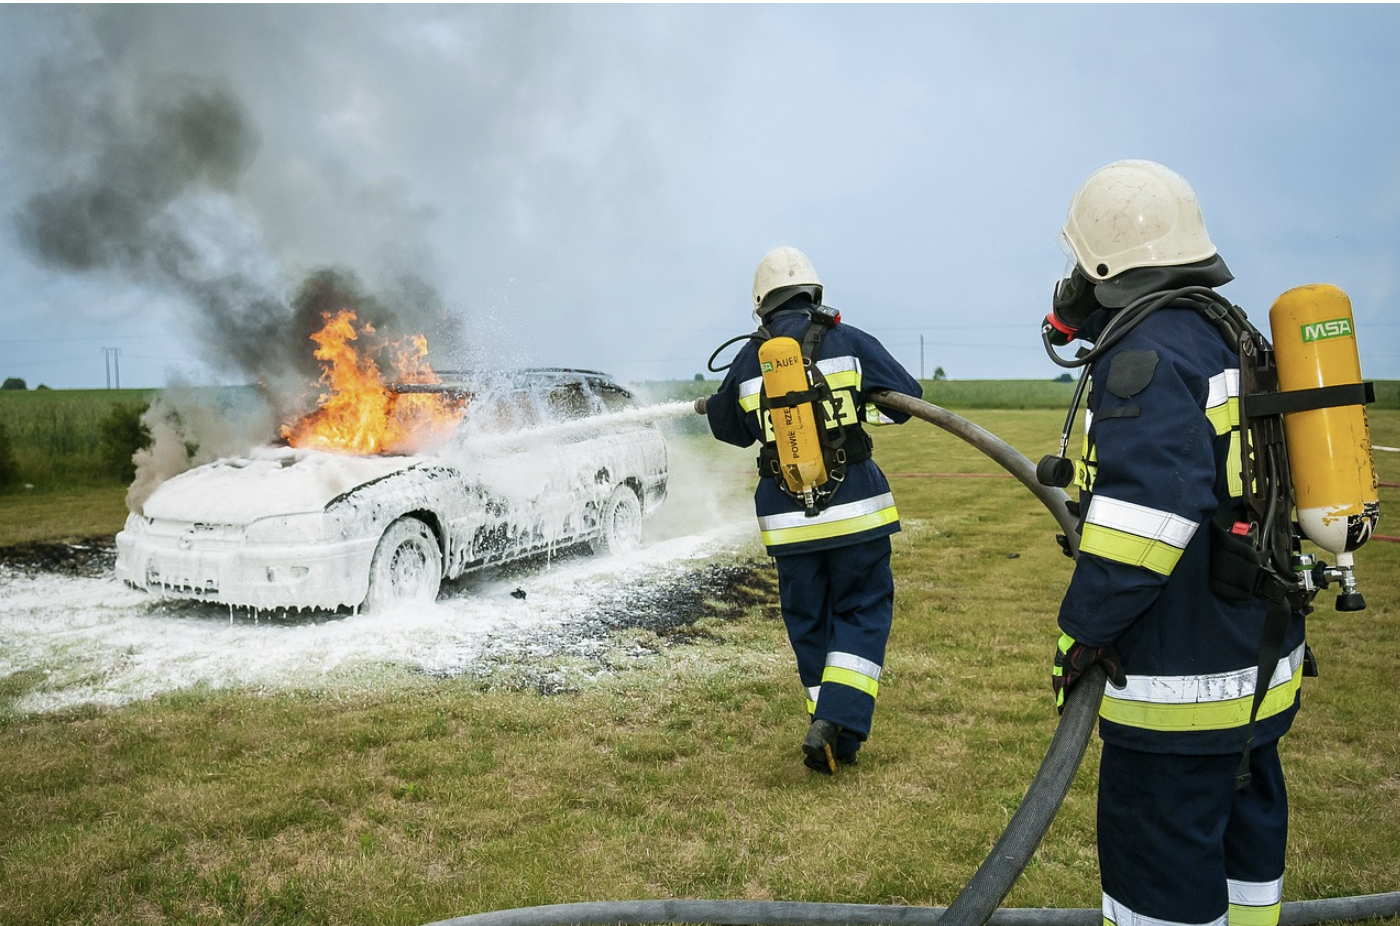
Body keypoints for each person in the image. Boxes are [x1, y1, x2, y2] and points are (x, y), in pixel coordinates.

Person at [1042, 160, 1308, 926]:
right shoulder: (1226, 332)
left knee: (1157, 886)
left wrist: (1081, 635)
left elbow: (1143, 523)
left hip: (1180, 693)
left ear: (1101, 265)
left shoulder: (1145, 358)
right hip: (1256, 671)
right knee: (1245, 867)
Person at [701, 246, 922, 774]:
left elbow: (728, 428)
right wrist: (854, 407)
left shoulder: (751, 357)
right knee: (862, 611)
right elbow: (906, 399)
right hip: (856, 511)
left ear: (761, 303)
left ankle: (833, 740)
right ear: (814, 292)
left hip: (788, 522)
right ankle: (836, 723)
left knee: (809, 623)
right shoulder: (849, 341)